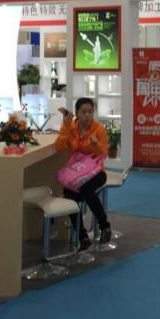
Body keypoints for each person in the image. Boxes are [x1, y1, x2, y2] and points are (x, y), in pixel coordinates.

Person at [55, 98, 111, 249]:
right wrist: (66, 127)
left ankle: (105, 226)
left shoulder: (99, 129)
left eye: (90, 112)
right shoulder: (71, 127)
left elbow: (104, 154)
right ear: (77, 113)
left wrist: (96, 144)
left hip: (96, 172)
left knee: (86, 189)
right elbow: (59, 147)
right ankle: (83, 237)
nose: (87, 115)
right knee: (69, 195)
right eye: (84, 112)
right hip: (76, 173)